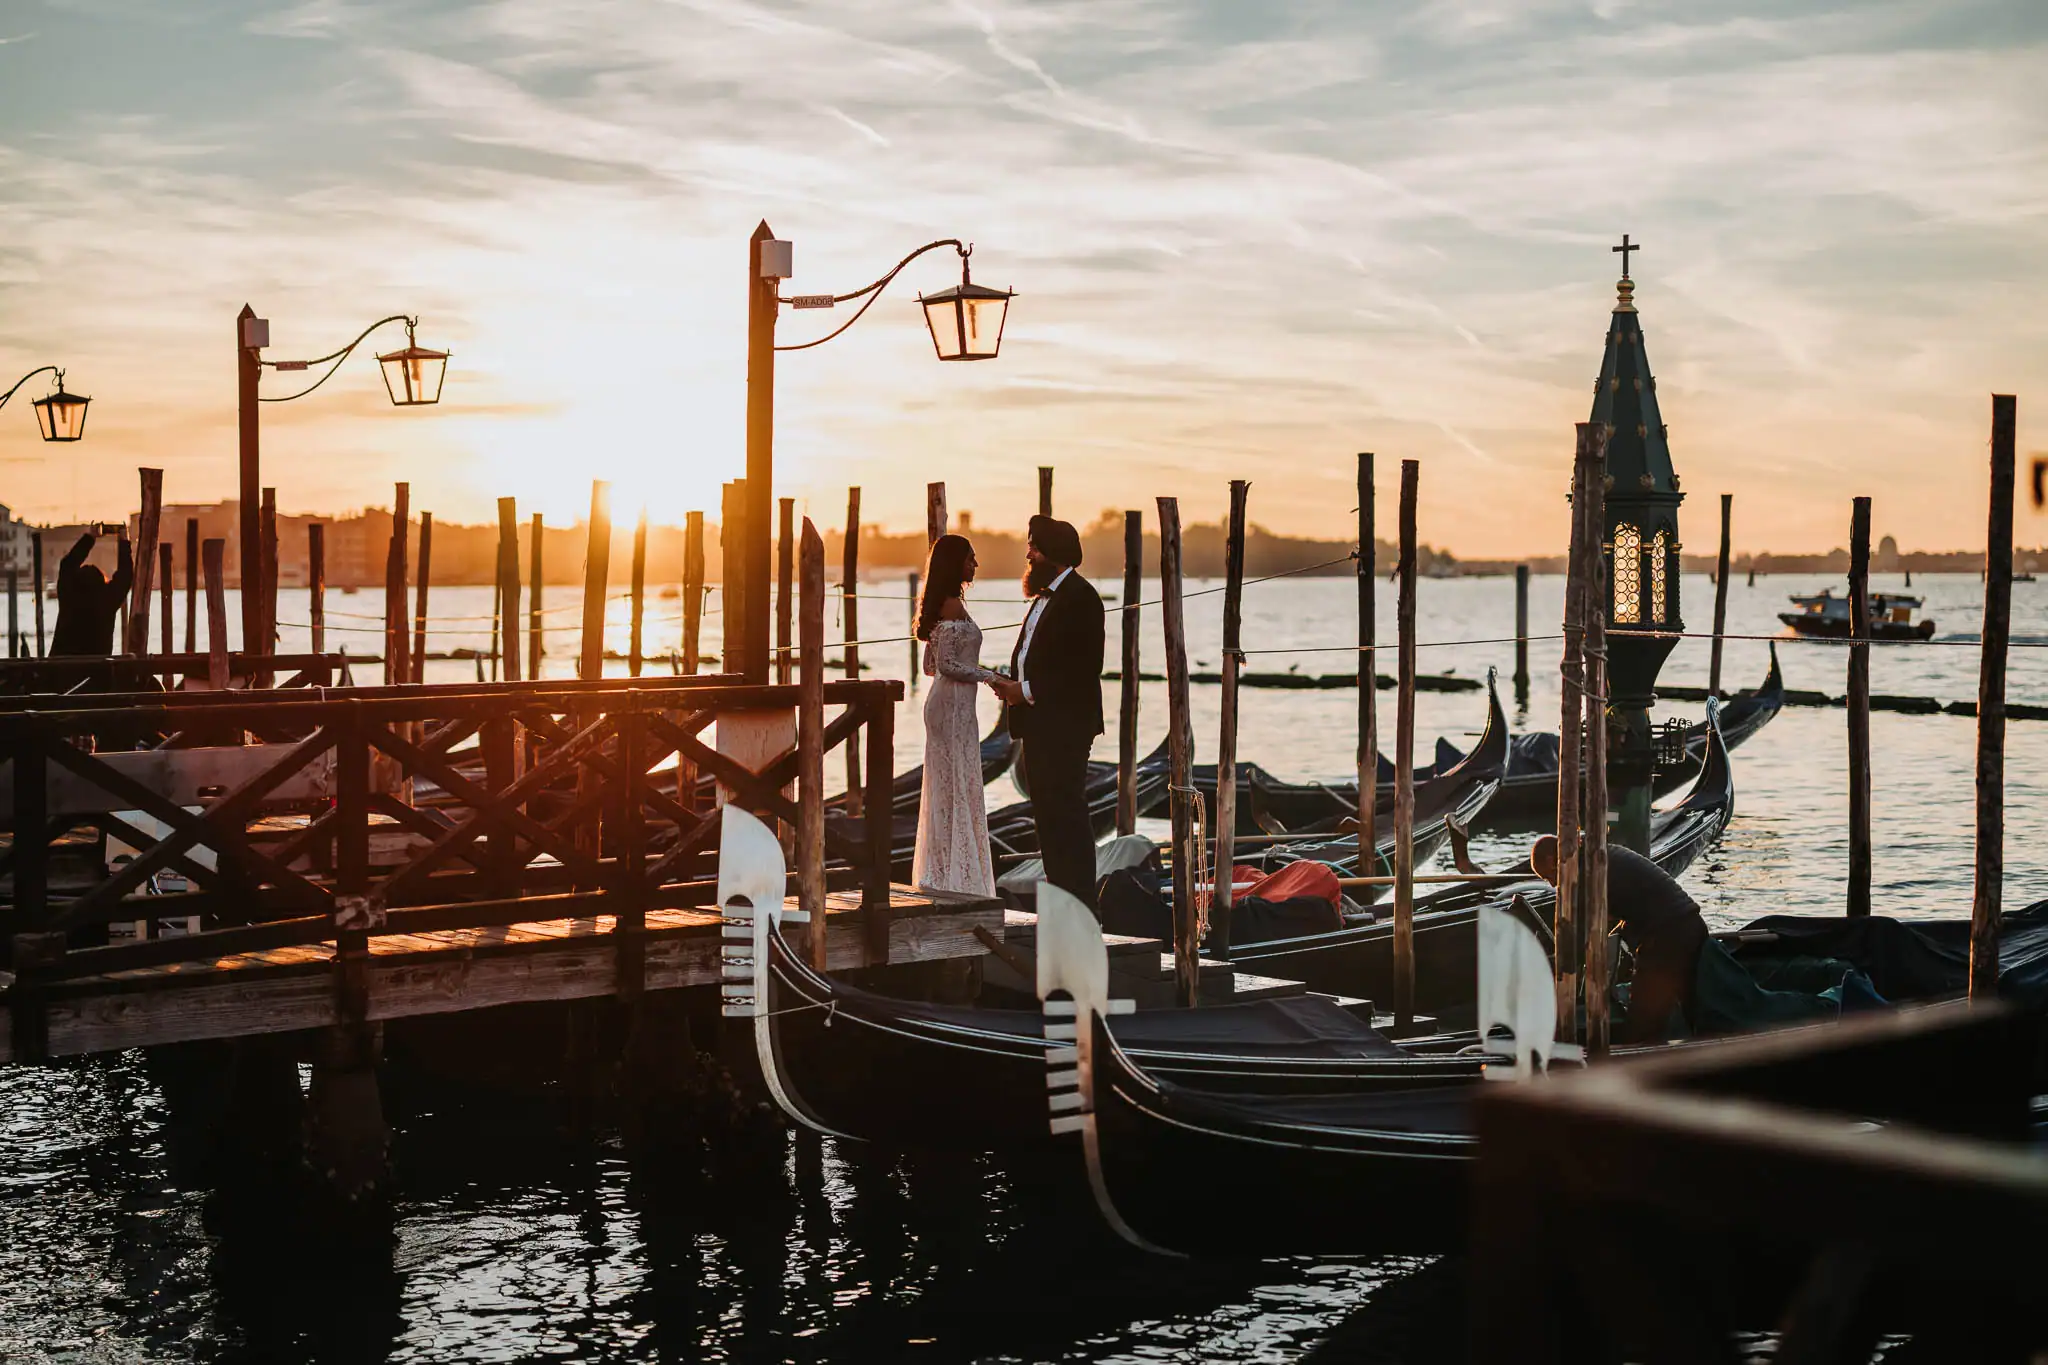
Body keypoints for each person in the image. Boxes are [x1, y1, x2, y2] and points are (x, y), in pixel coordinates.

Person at [987, 516, 1105, 909]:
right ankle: (1059, 895)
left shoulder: (1082, 598)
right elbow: (1038, 659)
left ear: (1053, 553)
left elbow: (1082, 670)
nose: (1028, 553)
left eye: (1034, 547)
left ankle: (1082, 903)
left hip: (1066, 726)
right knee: (1048, 815)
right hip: (1038, 724)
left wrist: (1024, 690)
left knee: (1067, 812)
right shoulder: (1042, 598)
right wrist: (1012, 682)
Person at [1531, 834, 1709, 1043]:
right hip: (1688, 925)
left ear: (1553, 862)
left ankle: (1648, 1061)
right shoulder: (1597, 854)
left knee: (1645, 1018)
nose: (1552, 885)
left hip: (1668, 934)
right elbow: (1609, 917)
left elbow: (1578, 941)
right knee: (1689, 1004)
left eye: (1547, 877)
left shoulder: (1584, 871)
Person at [910, 535, 998, 897]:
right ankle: (952, 874)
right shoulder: (949, 604)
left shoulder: (951, 603)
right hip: (951, 708)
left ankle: (953, 868)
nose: (975, 565)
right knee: (952, 781)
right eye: (970, 559)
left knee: (956, 778)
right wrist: (989, 676)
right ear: (955, 563)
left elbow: (931, 666)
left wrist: (974, 671)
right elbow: (944, 664)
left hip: (954, 705)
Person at [51, 531, 131, 657]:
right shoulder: (107, 601)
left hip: (61, 672)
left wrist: (90, 537)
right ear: (103, 584)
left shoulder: (69, 596)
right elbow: (125, 575)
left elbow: (67, 566)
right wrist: (124, 540)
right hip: (96, 674)